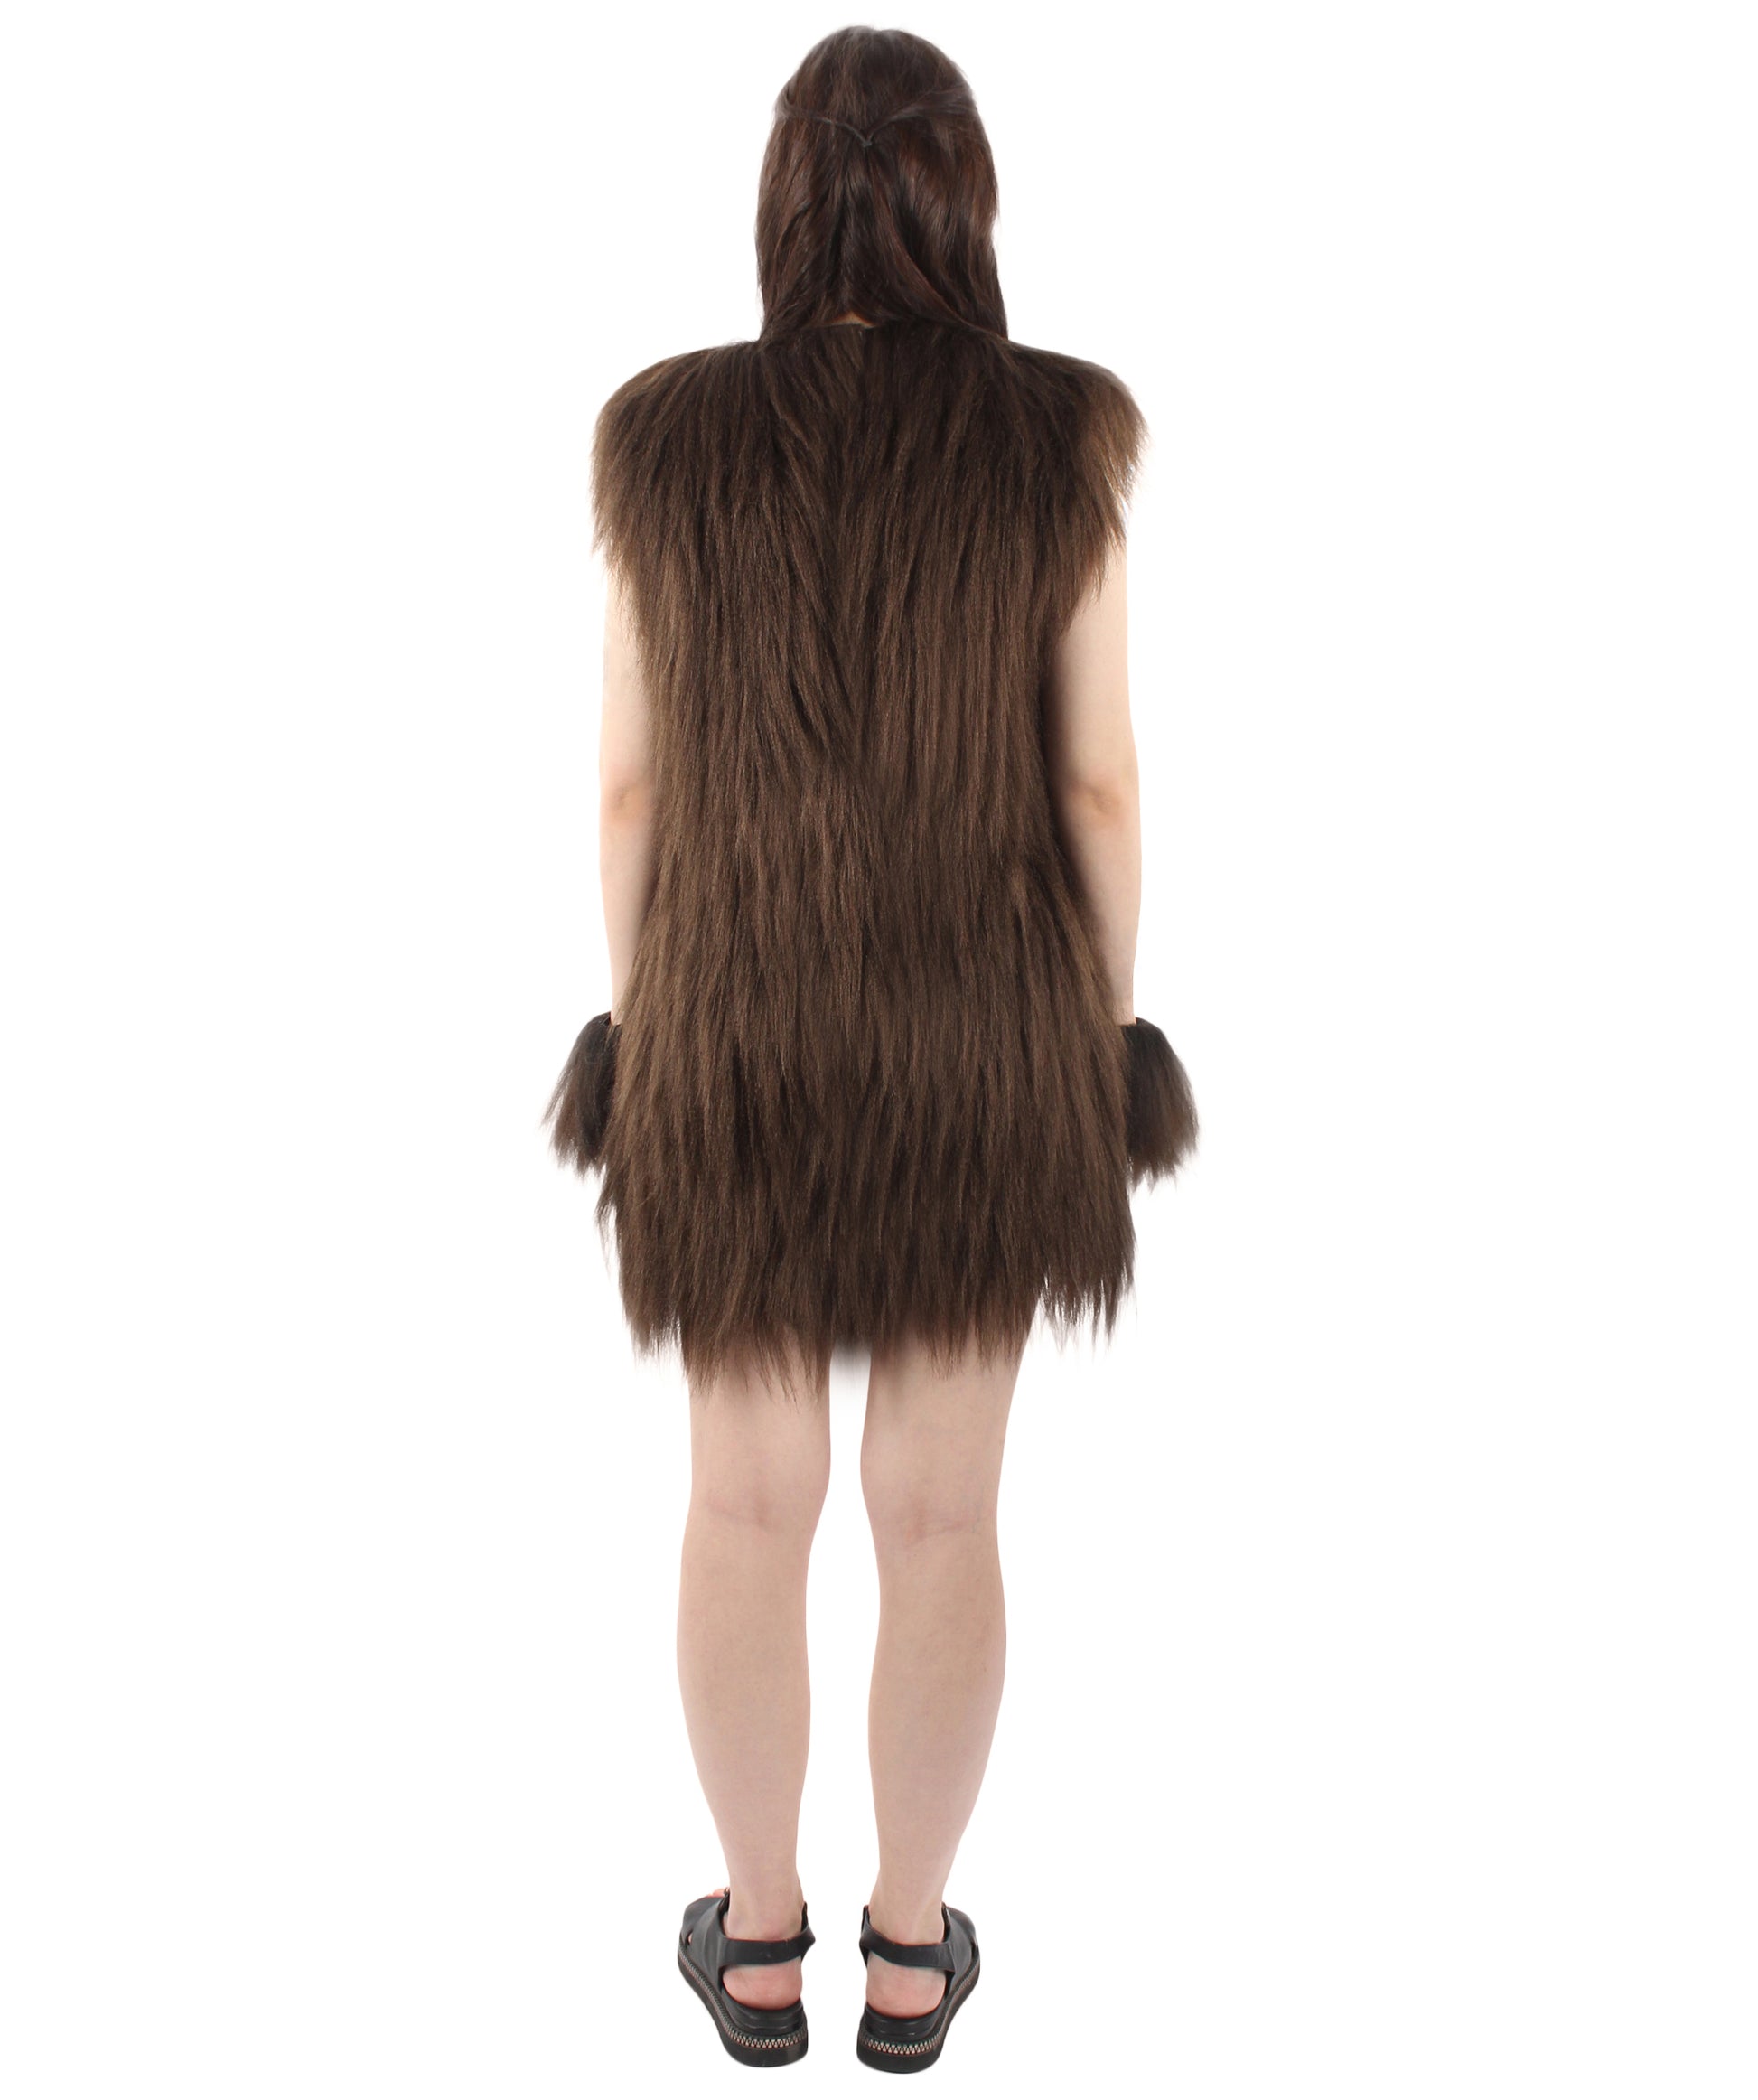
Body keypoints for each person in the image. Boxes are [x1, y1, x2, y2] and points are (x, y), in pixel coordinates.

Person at [546, 27, 1196, 2073]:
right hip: (977, 1045)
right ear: (962, 195)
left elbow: (630, 790)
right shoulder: (1061, 436)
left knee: (744, 1509)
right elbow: (1095, 785)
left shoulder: (660, 438)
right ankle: (910, 1959)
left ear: (782, 196)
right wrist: (1102, 1041)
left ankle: (756, 1947)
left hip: (739, 1030)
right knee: (940, 1518)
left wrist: (648, 1031)